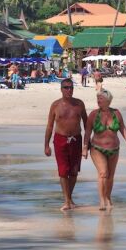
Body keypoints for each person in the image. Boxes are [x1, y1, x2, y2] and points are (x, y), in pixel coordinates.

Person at [83, 89, 126, 210]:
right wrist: (85, 147)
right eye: (98, 98)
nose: (98, 100)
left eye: (101, 98)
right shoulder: (94, 114)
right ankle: (101, 200)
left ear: (108, 101)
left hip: (114, 149)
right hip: (97, 148)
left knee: (110, 176)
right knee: (103, 173)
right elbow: (87, 132)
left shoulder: (116, 113)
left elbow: (122, 128)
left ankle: (108, 197)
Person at [44, 78, 88, 211]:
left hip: (76, 140)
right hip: (60, 140)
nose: (69, 90)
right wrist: (46, 145)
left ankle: (69, 198)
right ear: (61, 89)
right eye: (66, 87)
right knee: (63, 171)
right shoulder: (55, 105)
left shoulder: (79, 104)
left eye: (71, 87)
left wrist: (87, 143)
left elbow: (87, 125)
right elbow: (50, 126)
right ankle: (67, 201)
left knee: (74, 171)